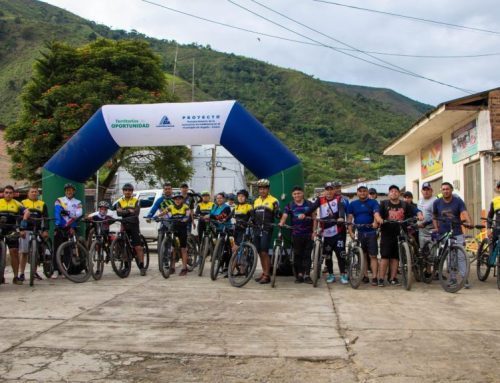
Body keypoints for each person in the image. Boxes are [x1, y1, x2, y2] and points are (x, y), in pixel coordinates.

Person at [378, 185, 422, 286]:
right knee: (384, 257)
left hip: (401, 233)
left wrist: (419, 214)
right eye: (392, 191)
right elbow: (377, 214)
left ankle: (393, 278)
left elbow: (415, 210)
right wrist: (379, 219)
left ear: (399, 193)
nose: (394, 193)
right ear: (389, 194)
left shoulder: (405, 204)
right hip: (387, 234)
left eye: (396, 191)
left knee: (396, 257)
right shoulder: (383, 204)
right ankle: (381, 278)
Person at [432, 182, 472, 287]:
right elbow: (434, 215)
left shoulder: (458, 201)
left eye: (447, 189)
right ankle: (453, 278)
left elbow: (464, 212)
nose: (445, 191)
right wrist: (436, 228)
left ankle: (464, 279)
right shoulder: (437, 202)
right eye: (443, 189)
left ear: (451, 190)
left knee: (461, 256)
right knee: (450, 256)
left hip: (457, 232)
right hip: (444, 233)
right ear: (441, 191)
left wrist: (469, 222)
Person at [312, 181, 347, 284]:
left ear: (334, 190)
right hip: (326, 232)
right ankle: (331, 274)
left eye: (331, 189)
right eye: (327, 189)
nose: (329, 191)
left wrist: (340, 217)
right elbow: (312, 208)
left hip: (339, 231)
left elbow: (341, 210)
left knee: (341, 254)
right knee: (328, 255)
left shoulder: (339, 199)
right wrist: (304, 214)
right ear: (325, 190)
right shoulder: (320, 199)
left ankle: (343, 274)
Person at [347, 185, 382, 286]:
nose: (362, 193)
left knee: (373, 256)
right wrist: (350, 232)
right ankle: (365, 275)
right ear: (357, 193)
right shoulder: (353, 204)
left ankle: (374, 277)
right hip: (359, 232)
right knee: (363, 255)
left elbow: (376, 212)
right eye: (360, 191)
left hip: (371, 232)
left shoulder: (373, 202)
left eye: (364, 191)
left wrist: (376, 222)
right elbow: (349, 219)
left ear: (367, 192)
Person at [279, 186, 315, 283]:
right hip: (296, 234)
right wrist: (282, 222)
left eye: (298, 193)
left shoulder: (310, 204)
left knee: (307, 255)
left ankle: (307, 275)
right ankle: (299, 275)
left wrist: (314, 231)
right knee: (298, 255)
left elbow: (314, 218)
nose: (297, 195)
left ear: (302, 193)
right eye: (295, 194)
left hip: (308, 234)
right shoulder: (290, 205)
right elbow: (285, 216)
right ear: (292, 195)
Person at [113, 183, 146, 276]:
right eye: (126, 190)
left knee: (138, 247)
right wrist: (128, 211)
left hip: (134, 225)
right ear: (123, 191)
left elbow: (136, 212)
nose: (127, 192)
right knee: (123, 247)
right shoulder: (119, 201)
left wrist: (124, 212)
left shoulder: (136, 201)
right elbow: (118, 213)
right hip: (124, 225)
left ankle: (142, 266)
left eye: (129, 190)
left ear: (132, 192)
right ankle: (126, 266)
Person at [0, 185, 29, 285]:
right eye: (6, 192)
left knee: (14, 251)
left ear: (13, 194)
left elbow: (27, 212)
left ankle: (16, 277)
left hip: (11, 229)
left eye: (10, 193)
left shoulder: (17, 203)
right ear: (3, 193)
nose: (8, 194)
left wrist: (23, 226)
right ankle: (1, 276)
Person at [252, 178, 279, 284]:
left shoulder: (274, 200)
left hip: (267, 229)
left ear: (268, 189)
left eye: (264, 189)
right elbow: (253, 215)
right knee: (259, 252)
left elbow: (277, 213)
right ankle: (264, 273)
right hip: (257, 229)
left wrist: (278, 213)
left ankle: (267, 275)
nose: (262, 191)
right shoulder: (256, 201)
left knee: (264, 251)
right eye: (260, 189)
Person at [19, 186, 49, 282]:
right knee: (24, 253)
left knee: (36, 253)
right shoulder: (23, 203)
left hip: (37, 230)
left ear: (38, 193)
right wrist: (21, 229)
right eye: (32, 192)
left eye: (35, 192)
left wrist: (45, 230)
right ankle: (22, 273)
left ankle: (34, 272)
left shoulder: (42, 204)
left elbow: (46, 218)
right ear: (28, 193)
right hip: (26, 229)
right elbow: (19, 217)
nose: (34, 193)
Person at [54, 183, 83, 278]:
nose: (69, 192)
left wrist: (67, 213)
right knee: (57, 248)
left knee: (68, 249)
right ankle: (56, 270)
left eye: (71, 190)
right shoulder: (59, 200)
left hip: (72, 227)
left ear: (74, 191)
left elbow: (79, 213)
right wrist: (58, 224)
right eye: (67, 190)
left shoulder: (78, 202)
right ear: (65, 191)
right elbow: (58, 212)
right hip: (60, 226)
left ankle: (67, 269)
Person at [165, 192, 191, 276]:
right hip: (174, 228)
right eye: (176, 199)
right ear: (173, 200)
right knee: (173, 248)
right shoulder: (170, 207)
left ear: (182, 199)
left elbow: (187, 215)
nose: (178, 200)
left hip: (182, 228)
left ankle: (184, 268)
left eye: (179, 198)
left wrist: (184, 219)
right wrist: (158, 217)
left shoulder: (185, 206)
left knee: (183, 249)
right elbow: (168, 215)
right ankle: (172, 267)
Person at [86, 201, 115, 270]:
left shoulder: (108, 217)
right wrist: (87, 219)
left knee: (107, 242)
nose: (103, 210)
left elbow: (113, 220)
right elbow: (89, 218)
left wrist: (112, 220)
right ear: (99, 209)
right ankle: (98, 269)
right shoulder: (95, 216)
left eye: (105, 209)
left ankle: (108, 253)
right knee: (98, 250)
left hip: (105, 233)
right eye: (101, 209)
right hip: (97, 234)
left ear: (107, 210)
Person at [210, 193, 233, 277]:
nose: (218, 199)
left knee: (226, 249)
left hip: (226, 229)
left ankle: (227, 266)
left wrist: (211, 217)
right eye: (217, 198)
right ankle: (220, 265)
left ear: (224, 199)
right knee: (219, 248)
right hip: (217, 229)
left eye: (220, 198)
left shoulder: (226, 207)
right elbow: (211, 214)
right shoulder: (215, 206)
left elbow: (222, 216)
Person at [417, 182, 437, 279]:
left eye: (428, 189)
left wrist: (426, 223)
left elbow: (436, 216)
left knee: (432, 252)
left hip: (431, 229)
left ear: (431, 190)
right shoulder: (419, 201)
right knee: (423, 252)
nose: (426, 191)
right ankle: (427, 271)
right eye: (424, 189)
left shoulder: (435, 201)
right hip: (421, 231)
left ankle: (434, 271)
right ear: (421, 191)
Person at [487, 181, 500, 250]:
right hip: (497, 229)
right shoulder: (494, 201)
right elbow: (490, 216)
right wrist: (488, 228)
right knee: (494, 248)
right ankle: (491, 260)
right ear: (498, 189)